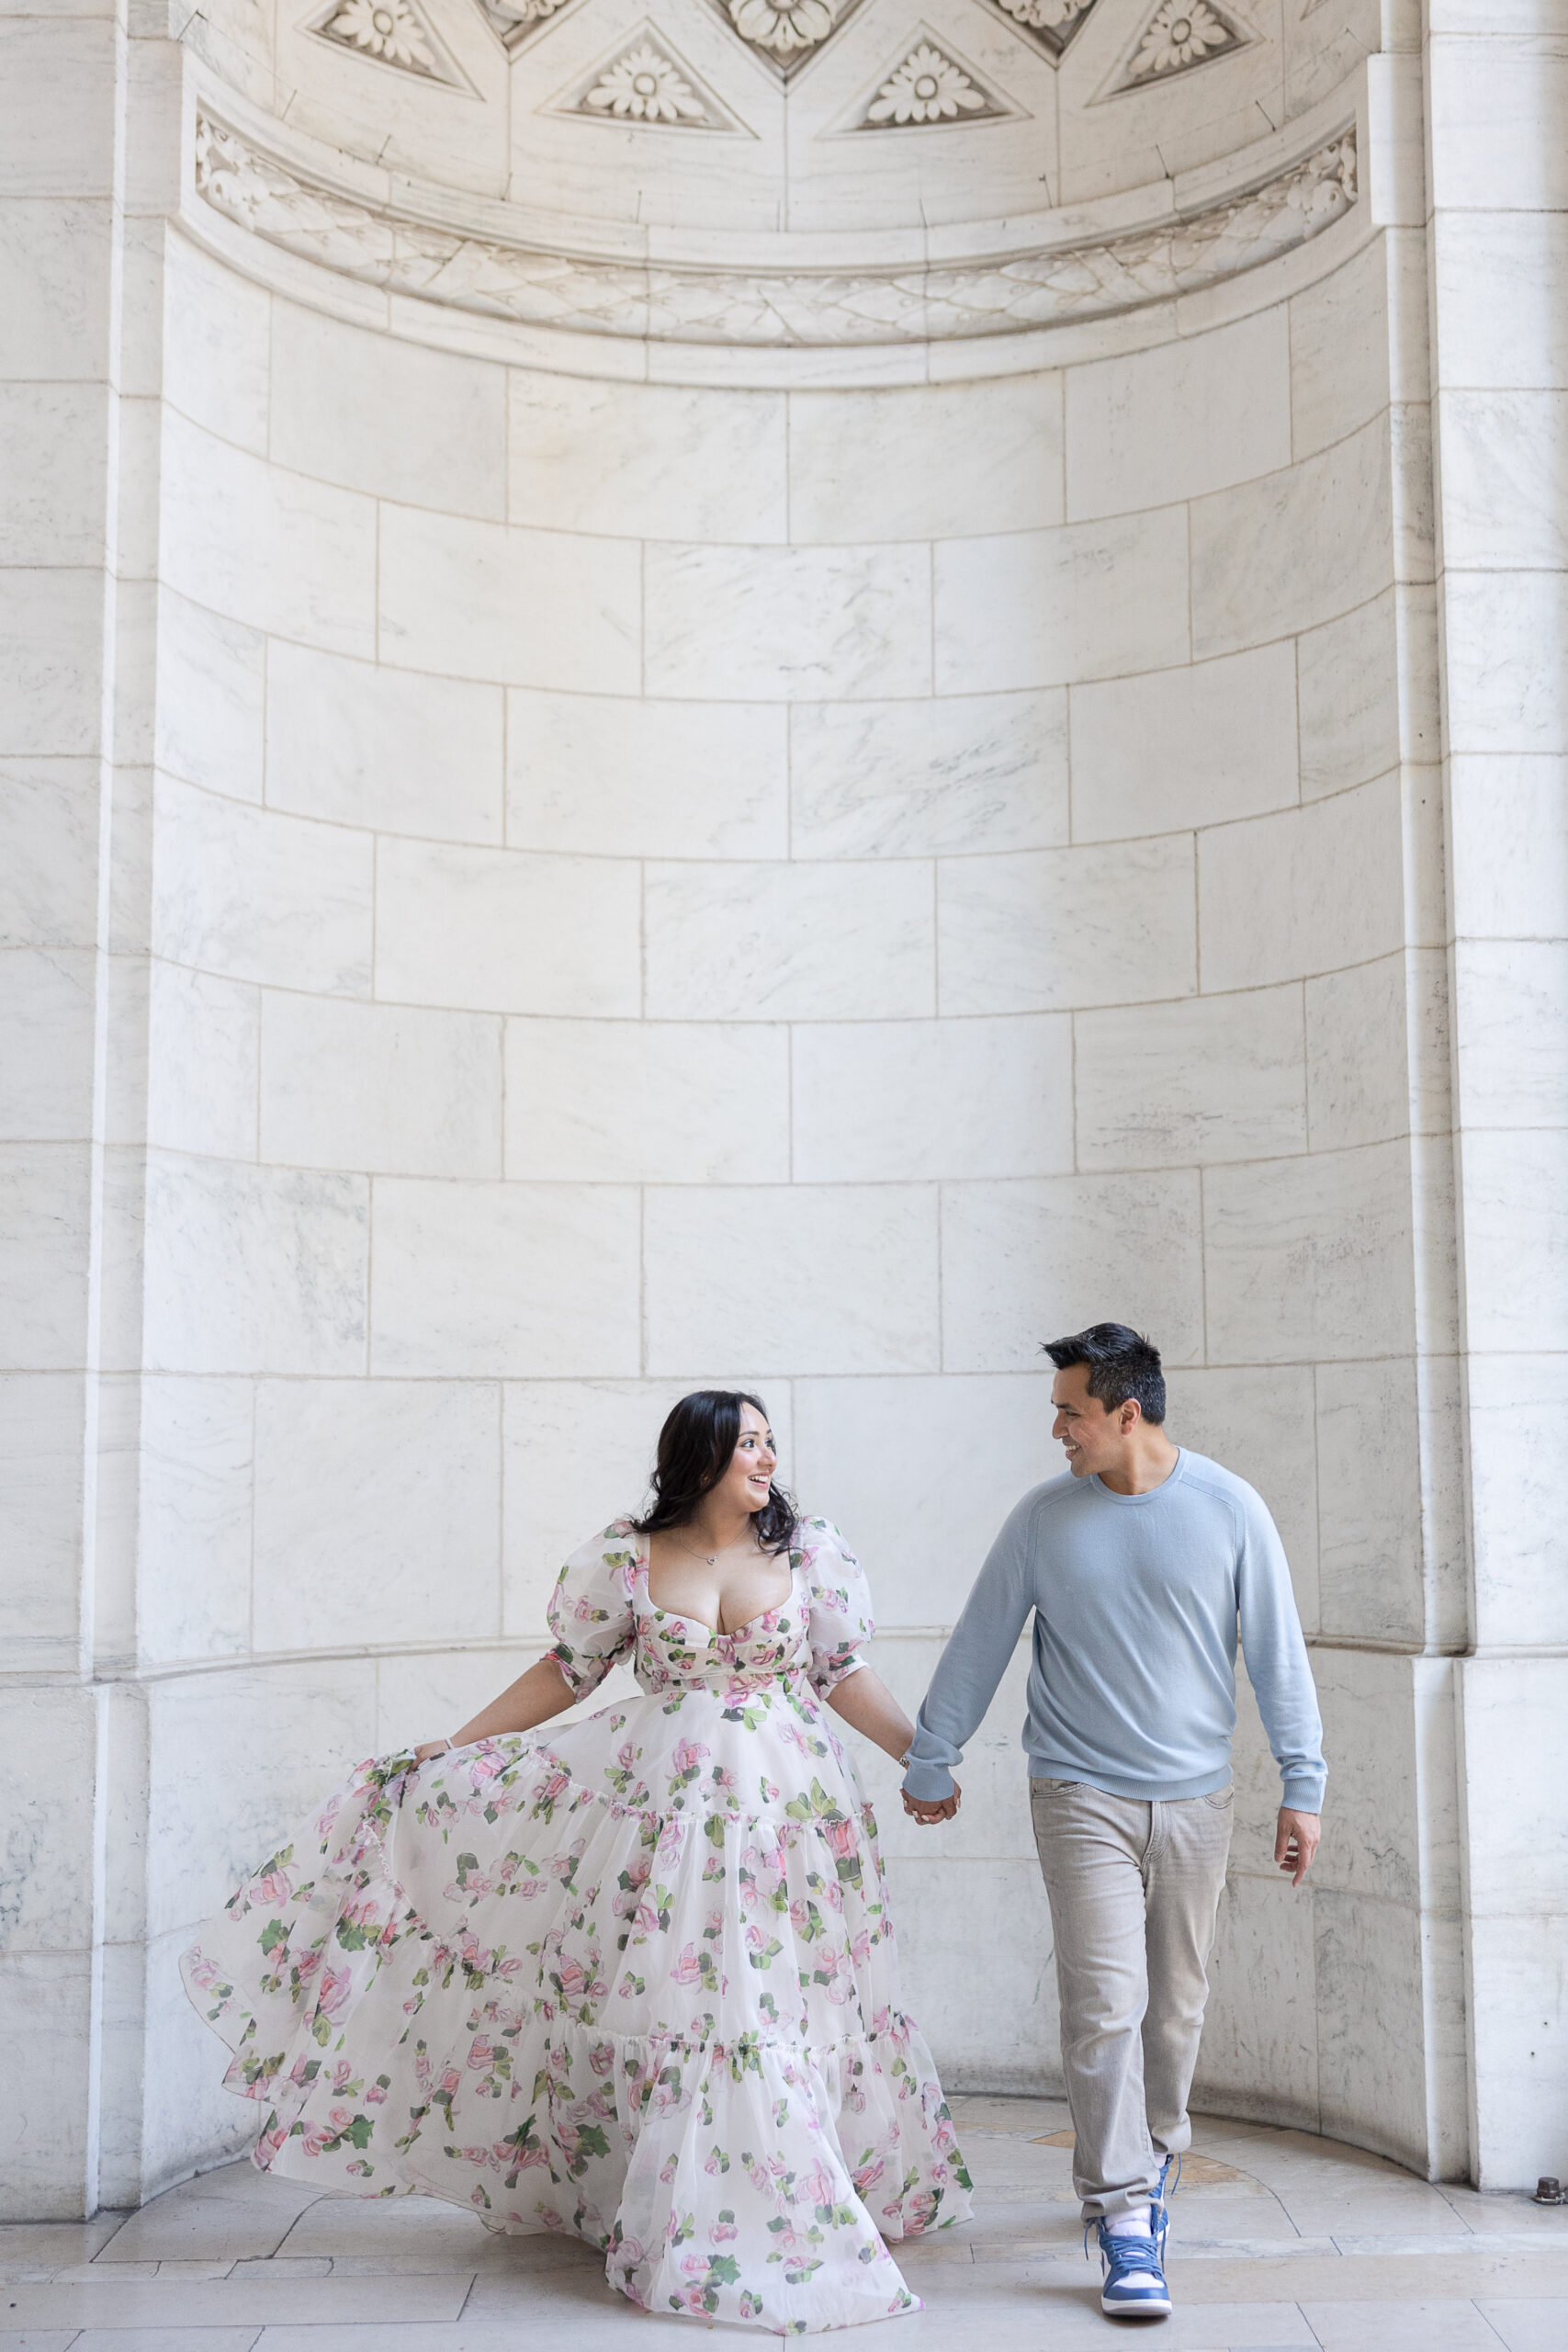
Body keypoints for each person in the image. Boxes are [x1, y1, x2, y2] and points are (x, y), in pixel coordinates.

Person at [182, 1390, 970, 2334]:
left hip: (786, 1818)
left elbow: (842, 1673)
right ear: (701, 1456)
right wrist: (458, 1745)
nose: (767, 1459)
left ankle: (790, 2196)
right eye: (747, 1444)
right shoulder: (630, 1555)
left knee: (777, 2002)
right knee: (693, 2003)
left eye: (769, 1441)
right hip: (662, 1819)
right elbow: (568, 1667)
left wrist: (920, 1758)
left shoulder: (809, 1553)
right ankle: (682, 2207)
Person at [899, 1324, 1325, 2323]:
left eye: (1070, 1411)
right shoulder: (1044, 1519)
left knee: (1175, 2005)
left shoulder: (1230, 1509)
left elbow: (1278, 1655)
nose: (1056, 1429)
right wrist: (933, 1753)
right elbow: (981, 1639)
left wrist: (1302, 1785)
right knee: (1105, 2004)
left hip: (1196, 1799)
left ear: (1127, 1412)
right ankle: (1123, 2214)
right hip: (1078, 1792)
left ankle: (1153, 2153)